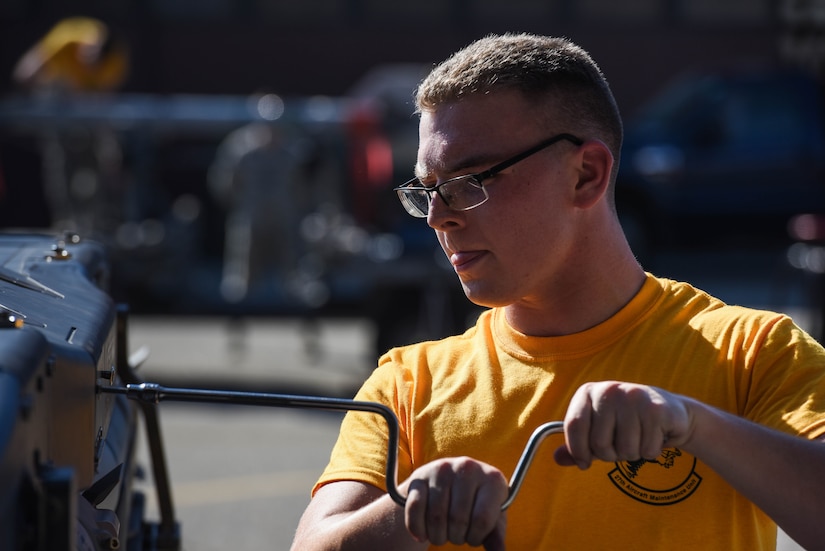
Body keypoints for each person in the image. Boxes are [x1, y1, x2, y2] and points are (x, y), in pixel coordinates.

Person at [291, 33, 825, 550]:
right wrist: (409, 510)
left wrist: (693, 425)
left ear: (586, 175)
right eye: (427, 190)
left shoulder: (752, 352)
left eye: (471, 180)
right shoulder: (408, 383)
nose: (437, 217)